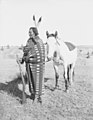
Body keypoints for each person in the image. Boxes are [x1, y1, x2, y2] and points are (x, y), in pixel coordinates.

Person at [20, 27, 45, 103]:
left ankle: (36, 97)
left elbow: (26, 50)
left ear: (35, 32)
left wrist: (23, 58)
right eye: (29, 32)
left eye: (30, 32)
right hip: (38, 65)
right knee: (36, 81)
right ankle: (36, 96)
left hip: (35, 64)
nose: (29, 33)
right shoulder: (40, 40)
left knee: (35, 81)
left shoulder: (32, 41)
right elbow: (28, 51)